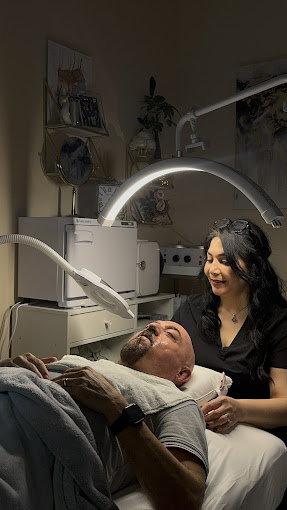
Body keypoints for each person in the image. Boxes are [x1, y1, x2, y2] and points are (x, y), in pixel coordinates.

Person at [0, 320, 208, 510]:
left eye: (170, 334)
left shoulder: (175, 400)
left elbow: (187, 498)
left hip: (27, 444)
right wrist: (10, 369)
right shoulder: (86, 362)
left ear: (182, 374)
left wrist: (115, 406)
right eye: (151, 326)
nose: (152, 327)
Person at [172, 218, 287, 508]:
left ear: (254, 264)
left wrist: (238, 409)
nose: (212, 269)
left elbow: (284, 405)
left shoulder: (278, 321)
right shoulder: (192, 310)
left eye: (225, 261)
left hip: (255, 438)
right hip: (196, 432)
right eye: (209, 259)